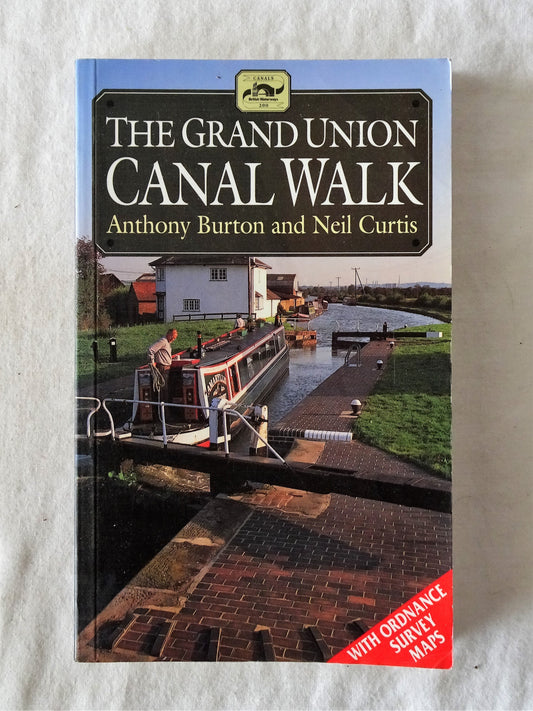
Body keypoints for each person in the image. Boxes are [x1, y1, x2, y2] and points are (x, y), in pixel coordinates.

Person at [148, 328, 178, 402]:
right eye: (173, 337)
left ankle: (165, 406)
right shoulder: (163, 341)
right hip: (163, 368)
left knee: (166, 388)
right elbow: (151, 350)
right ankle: (164, 407)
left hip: (166, 367)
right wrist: (152, 362)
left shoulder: (167, 342)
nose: (173, 340)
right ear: (169, 335)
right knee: (163, 389)